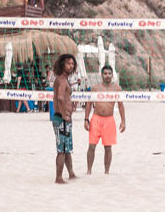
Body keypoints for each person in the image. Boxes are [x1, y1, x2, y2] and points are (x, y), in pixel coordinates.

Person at [83, 65, 126, 175]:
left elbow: (121, 105)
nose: (107, 75)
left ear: (112, 75)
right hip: (96, 119)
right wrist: (86, 119)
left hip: (109, 120)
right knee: (92, 146)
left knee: (108, 147)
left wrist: (123, 121)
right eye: (105, 73)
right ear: (101, 75)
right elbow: (89, 104)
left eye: (109, 73)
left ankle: (106, 172)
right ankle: (89, 170)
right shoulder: (95, 88)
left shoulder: (117, 88)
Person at [52, 54, 78, 184]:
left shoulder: (64, 79)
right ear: (62, 64)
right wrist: (64, 115)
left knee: (67, 148)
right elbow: (60, 98)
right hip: (62, 118)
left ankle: (71, 173)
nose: (71, 66)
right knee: (62, 149)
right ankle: (58, 177)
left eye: (72, 64)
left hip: (65, 118)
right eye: (68, 63)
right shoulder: (62, 80)